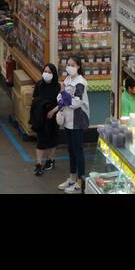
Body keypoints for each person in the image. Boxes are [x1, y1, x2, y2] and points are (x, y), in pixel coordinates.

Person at [56, 57, 90, 193]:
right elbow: (60, 97)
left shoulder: (81, 82)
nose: (69, 67)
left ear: (79, 67)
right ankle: (72, 178)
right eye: (68, 65)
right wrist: (62, 97)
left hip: (78, 120)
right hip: (68, 120)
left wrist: (64, 93)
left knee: (78, 151)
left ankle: (80, 182)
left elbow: (75, 103)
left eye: (72, 65)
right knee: (71, 150)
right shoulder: (68, 79)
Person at [29, 62, 61, 177]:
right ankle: (38, 164)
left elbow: (60, 102)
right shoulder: (39, 85)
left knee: (53, 139)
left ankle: (51, 160)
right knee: (41, 141)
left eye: (49, 72)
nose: (46, 74)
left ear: (54, 74)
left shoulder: (58, 87)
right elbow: (34, 99)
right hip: (41, 117)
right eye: (45, 72)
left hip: (53, 117)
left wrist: (53, 111)